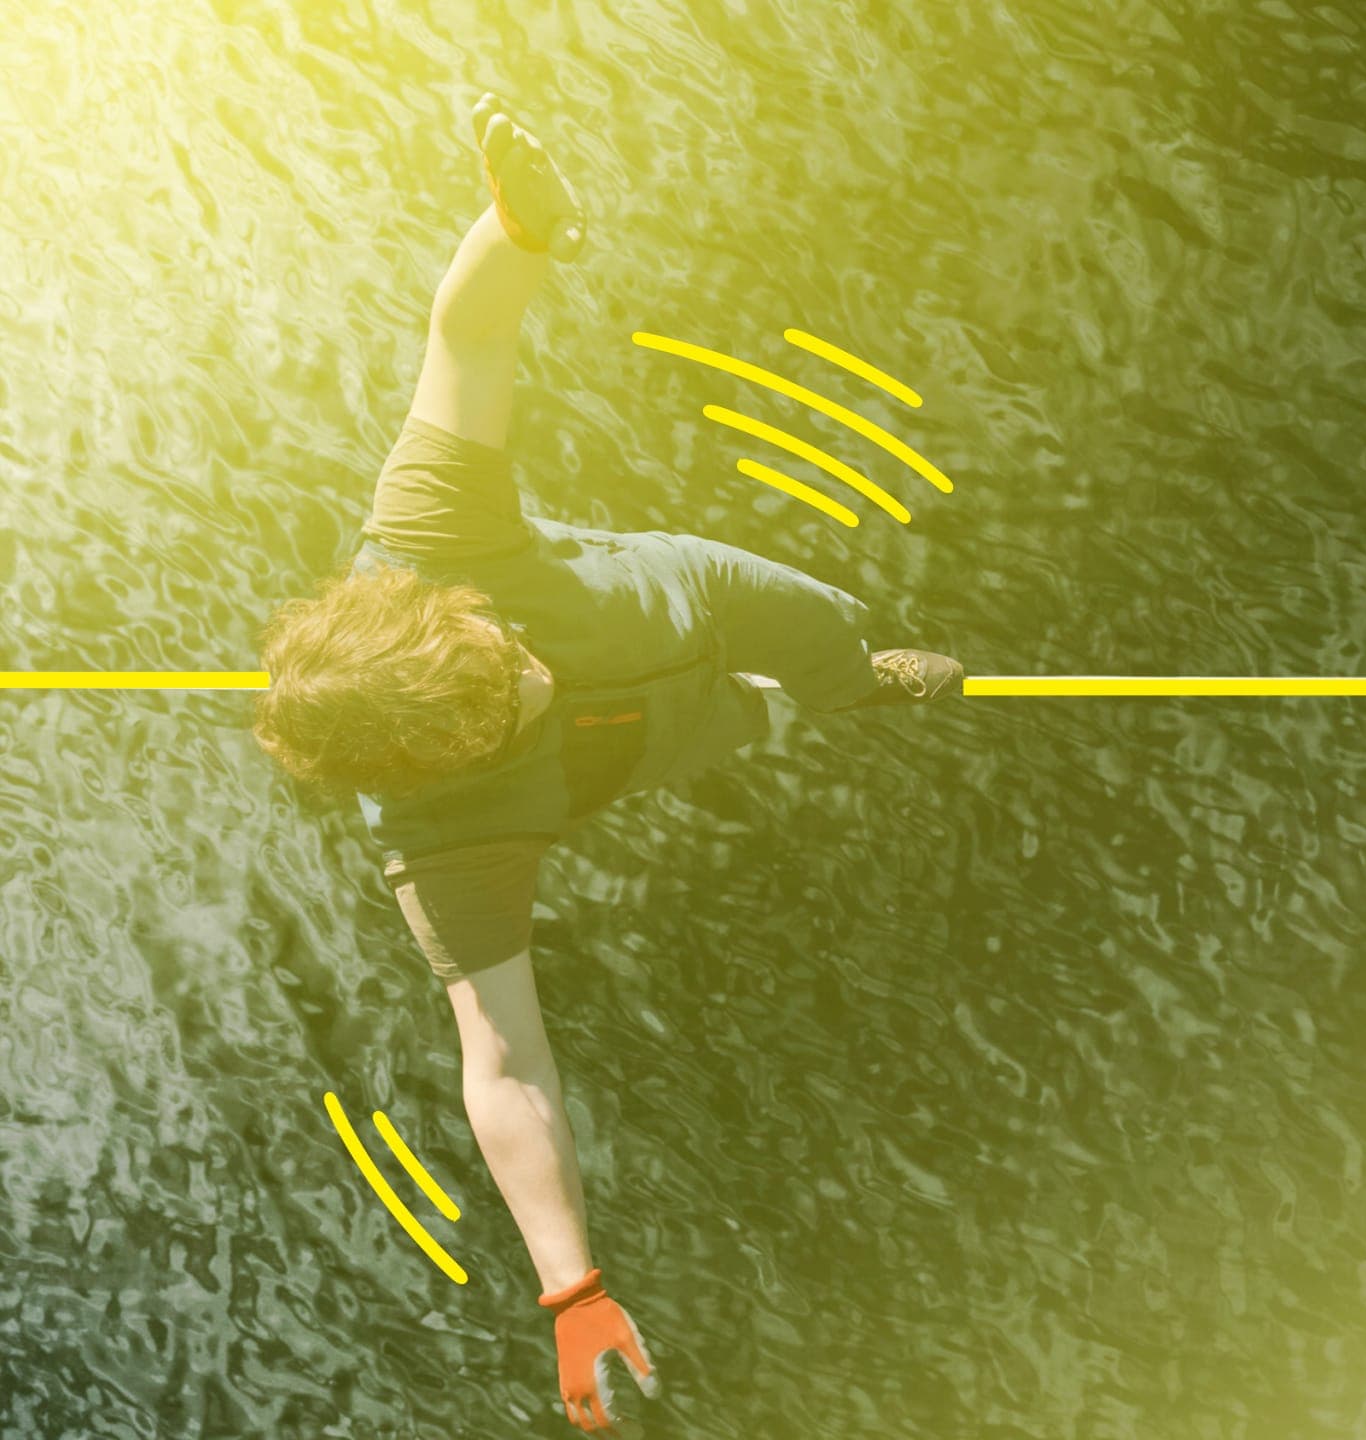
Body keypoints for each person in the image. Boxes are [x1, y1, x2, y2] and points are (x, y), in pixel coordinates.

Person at [250, 96, 961, 1432]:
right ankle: (802, 712)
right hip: (639, 745)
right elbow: (504, 1066)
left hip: (691, 597)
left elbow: (462, 333)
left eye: (494, 650)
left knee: (823, 640)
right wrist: (569, 1286)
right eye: (491, 711)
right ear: (426, 761)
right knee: (748, 726)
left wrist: (517, 233)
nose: (525, 674)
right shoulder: (443, 848)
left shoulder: (424, 527)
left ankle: (852, 685)